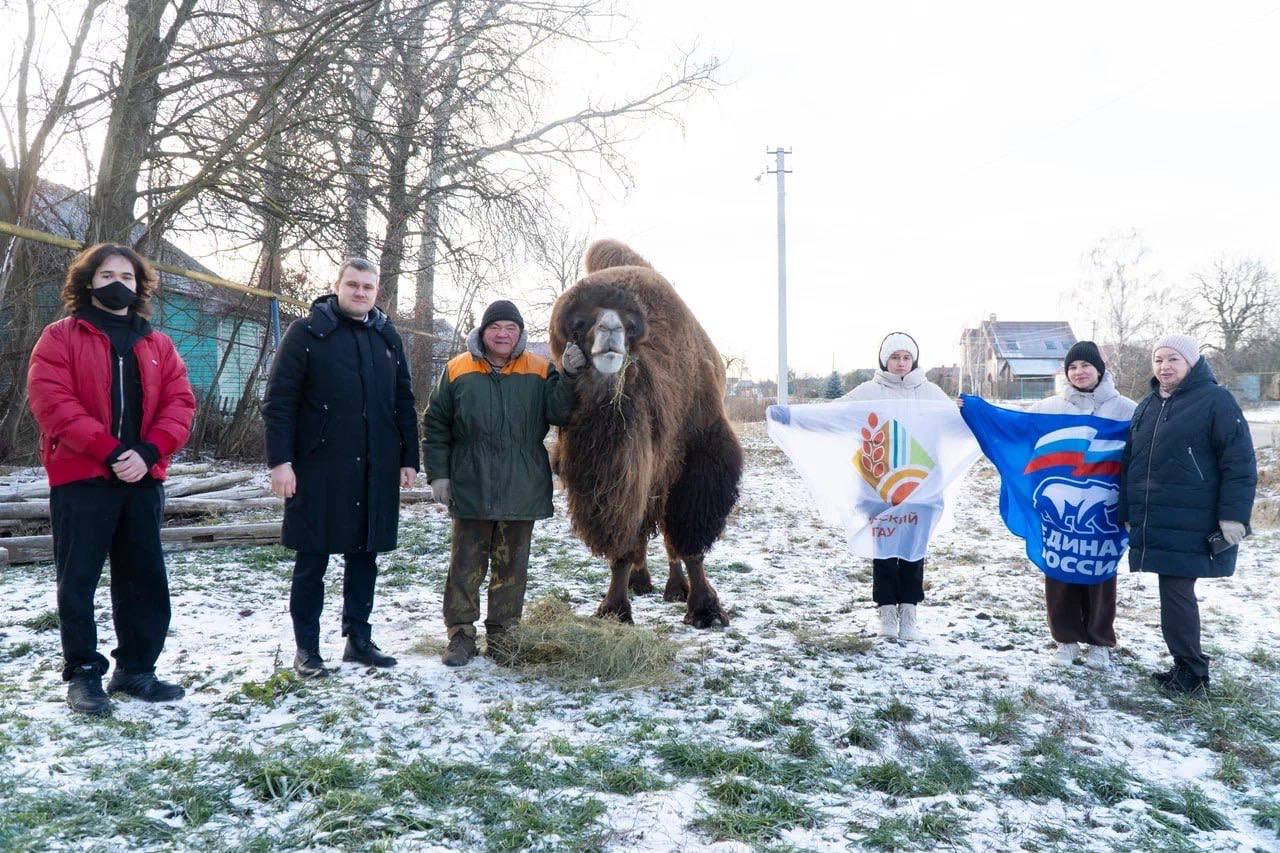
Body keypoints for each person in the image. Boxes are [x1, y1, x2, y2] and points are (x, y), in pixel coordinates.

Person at [27, 243, 196, 716]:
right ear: (88, 282)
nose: (117, 284)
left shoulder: (158, 344)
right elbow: (52, 401)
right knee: (78, 579)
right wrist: (110, 449)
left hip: (143, 478)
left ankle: (136, 669)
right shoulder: (60, 337)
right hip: (82, 476)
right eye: (106, 275)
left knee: (144, 577)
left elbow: (181, 404)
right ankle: (84, 674)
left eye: (126, 276)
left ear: (139, 286)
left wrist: (148, 451)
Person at [263, 258, 419, 678]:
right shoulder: (306, 333)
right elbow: (279, 402)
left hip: (375, 466)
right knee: (312, 560)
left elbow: (403, 401)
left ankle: (358, 640)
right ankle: (307, 649)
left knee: (365, 555)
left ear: (377, 291)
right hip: (318, 467)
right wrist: (280, 461)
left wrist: (409, 457)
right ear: (337, 287)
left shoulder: (387, 337)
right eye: (353, 285)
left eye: (368, 286)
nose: (360, 292)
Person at [423, 300, 584, 667]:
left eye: (510, 328)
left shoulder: (540, 369)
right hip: (472, 483)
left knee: (512, 567)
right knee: (465, 566)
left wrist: (571, 376)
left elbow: (560, 412)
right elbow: (436, 425)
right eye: (495, 327)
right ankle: (460, 635)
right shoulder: (458, 369)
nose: (502, 334)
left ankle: (504, 635)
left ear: (520, 334)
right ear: (483, 332)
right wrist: (439, 474)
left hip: (521, 485)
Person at [1119, 334, 1256, 697]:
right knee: (1172, 593)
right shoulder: (1148, 405)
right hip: (1158, 517)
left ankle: (1193, 672)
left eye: (1173, 359)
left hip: (1194, 518)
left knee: (1176, 592)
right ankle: (1185, 666)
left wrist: (1233, 517)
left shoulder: (1216, 401)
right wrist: (1127, 510)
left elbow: (1240, 463)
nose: (1165, 367)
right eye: (1159, 360)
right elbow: (1130, 462)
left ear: (1192, 363)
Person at [1026, 341, 1136, 670]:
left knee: (1100, 572)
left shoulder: (1126, 409)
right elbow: (1015, 427)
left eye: (1086, 365)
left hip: (1107, 508)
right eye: (1072, 367)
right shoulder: (1049, 408)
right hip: (1060, 513)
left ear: (1099, 369)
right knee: (1060, 570)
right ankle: (1066, 640)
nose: (1079, 372)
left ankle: (1099, 642)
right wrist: (975, 411)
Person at [841, 332, 952, 641]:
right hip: (880, 486)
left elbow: (956, 422)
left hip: (921, 485)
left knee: (914, 550)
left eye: (906, 357)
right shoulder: (868, 392)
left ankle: (909, 611)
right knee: (886, 551)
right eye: (895, 357)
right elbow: (835, 413)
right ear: (884, 360)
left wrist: (975, 411)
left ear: (914, 360)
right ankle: (887, 610)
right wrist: (793, 416)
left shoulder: (930, 393)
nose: (901, 363)